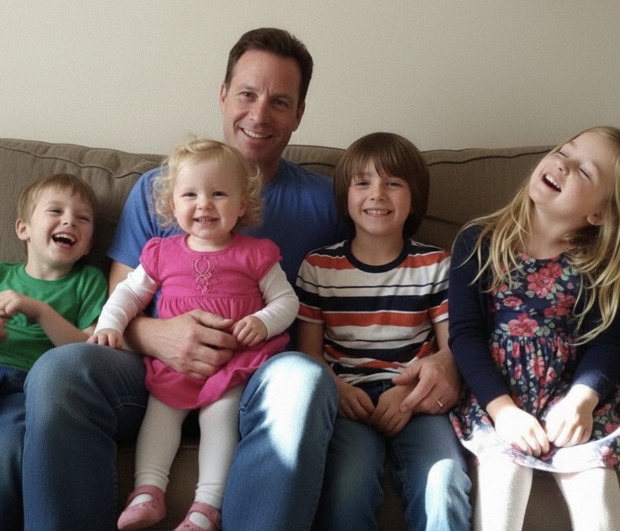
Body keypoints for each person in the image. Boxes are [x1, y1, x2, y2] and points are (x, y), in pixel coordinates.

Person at [21, 28, 343, 531]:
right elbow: (123, 296)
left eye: (280, 101)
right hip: (150, 373)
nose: (259, 114)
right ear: (223, 95)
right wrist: (159, 337)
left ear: (299, 113)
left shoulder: (328, 202)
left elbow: (370, 285)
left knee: (304, 381)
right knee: (58, 371)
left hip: (255, 371)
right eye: (247, 94)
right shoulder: (160, 190)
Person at [90, 138, 299, 530]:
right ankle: (148, 492)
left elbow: (287, 302)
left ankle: (206, 507)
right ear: (172, 205)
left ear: (242, 204)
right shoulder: (161, 253)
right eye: (190, 195)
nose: (204, 204)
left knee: (220, 416)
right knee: (160, 414)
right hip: (175, 363)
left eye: (218, 194)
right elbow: (129, 294)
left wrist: (263, 322)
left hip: (233, 362)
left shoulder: (256, 254)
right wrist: (110, 325)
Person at [296, 132, 471, 531]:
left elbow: (451, 352)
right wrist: (338, 391)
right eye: (363, 183)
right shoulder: (318, 267)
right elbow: (309, 354)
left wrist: (409, 396)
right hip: (348, 402)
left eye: (393, 183)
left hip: (416, 398)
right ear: (345, 196)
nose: (377, 194)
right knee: (347, 488)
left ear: (414, 199)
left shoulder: (435, 265)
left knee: (443, 482)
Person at [448, 126, 620, 531]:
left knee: (596, 489)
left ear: (598, 214)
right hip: (497, 399)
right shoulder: (479, 242)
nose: (563, 164)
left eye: (585, 171)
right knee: (503, 481)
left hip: (570, 397)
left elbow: (608, 341)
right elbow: (465, 335)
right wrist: (503, 411)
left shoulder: (595, 264)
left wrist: (581, 402)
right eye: (565, 151)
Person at [0, 173, 107, 530]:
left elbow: (87, 349)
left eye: (82, 218)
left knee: (9, 447)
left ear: (89, 243)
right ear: (23, 229)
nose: (69, 221)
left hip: (28, 387)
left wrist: (40, 311)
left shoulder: (88, 282)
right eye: (56, 211)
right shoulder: (2, 275)